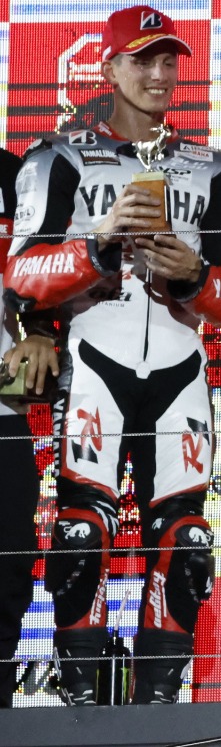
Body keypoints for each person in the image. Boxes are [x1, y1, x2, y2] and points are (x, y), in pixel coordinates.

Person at [5, 6, 221, 703]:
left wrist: (194, 275)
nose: (158, 74)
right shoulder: (56, 158)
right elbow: (22, 277)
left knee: (189, 544)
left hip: (182, 372)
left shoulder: (216, 172)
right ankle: (80, 701)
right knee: (82, 536)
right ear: (110, 67)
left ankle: (160, 706)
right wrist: (96, 244)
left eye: (168, 60)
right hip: (93, 364)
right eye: (141, 60)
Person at [0, 147, 58, 706]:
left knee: (10, 568)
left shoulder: (15, 176)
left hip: (0, 415)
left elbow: (44, 267)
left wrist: (39, 328)